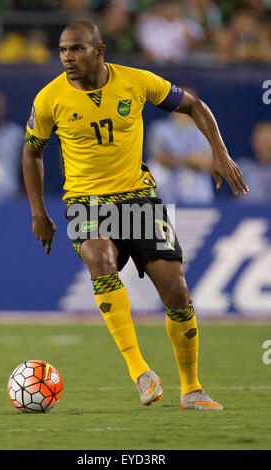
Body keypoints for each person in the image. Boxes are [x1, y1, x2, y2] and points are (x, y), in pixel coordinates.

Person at [22, 21, 249, 410]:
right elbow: (31, 152)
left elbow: (193, 105)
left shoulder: (137, 81)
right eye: (62, 50)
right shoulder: (49, 99)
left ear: (99, 50)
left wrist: (220, 152)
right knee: (98, 257)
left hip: (137, 198)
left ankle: (191, 388)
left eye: (76, 49)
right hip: (86, 202)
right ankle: (140, 371)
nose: (67, 58)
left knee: (176, 291)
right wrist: (39, 212)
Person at [147, 88, 215, 205]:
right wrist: (188, 159)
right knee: (154, 170)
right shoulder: (159, 129)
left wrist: (178, 160)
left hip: (199, 194)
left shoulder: (206, 128)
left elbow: (208, 162)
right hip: (169, 192)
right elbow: (157, 159)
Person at [236, 121, 271, 203]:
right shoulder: (242, 168)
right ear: (253, 141)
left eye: (268, 141)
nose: (265, 145)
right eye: (262, 140)